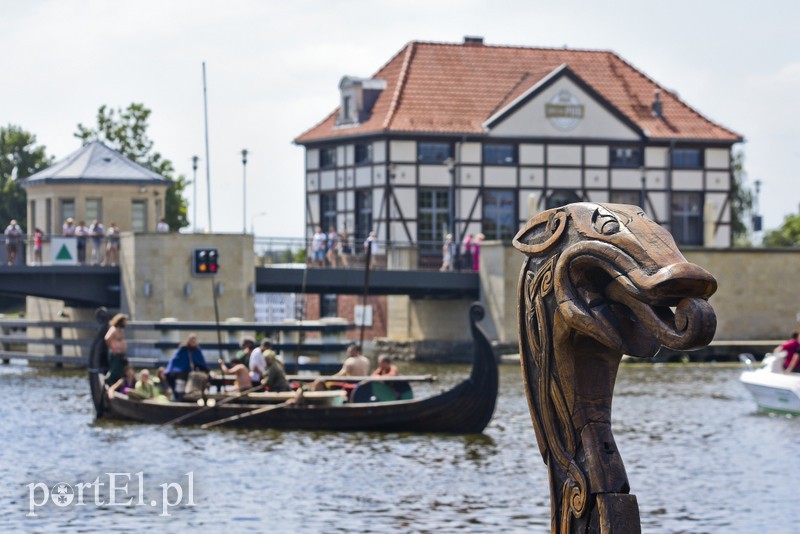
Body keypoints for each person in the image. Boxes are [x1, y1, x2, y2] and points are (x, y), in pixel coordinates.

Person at [165, 334, 209, 401]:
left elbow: (201, 363)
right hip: (180, 372)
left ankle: (194, 396)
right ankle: (179, 398)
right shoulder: (183, 349)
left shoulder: (197, 350)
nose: (193, 342)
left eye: (194, 341)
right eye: (191, 341)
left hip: (192, 373)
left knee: (199, 377)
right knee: (180, 378)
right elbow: (176, 361)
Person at [104, 313, 128, 385]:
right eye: (124, 321)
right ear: (120, 321)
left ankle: (118, 385)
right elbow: (107, 338)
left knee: (121, 370)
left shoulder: (120, 330)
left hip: (121, 354)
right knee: (114, 370)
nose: (126, 323)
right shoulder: (113, 329)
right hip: (115, 353)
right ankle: (108, 383)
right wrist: (112, 348)